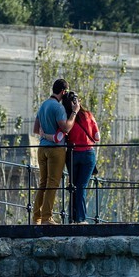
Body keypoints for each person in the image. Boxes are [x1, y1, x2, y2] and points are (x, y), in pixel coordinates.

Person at [32, 78, 75, 224]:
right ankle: (46, 217)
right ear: (63, 92)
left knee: (43, 183)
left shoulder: (43, 105)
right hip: (56, 150)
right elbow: (66, 128)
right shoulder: (58, 108)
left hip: (42, 148)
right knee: (53, 183)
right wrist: (74, 113)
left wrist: (45, 135)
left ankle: (36, 217)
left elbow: (35, 130)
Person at [62, 90, 101, 223]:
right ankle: (81, 218)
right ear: (78, 102)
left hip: (72, 154)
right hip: (88, 154)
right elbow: (97, 137)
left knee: (73, 186)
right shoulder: (88, 115)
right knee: (81, 187)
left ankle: (72, 218)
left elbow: (64, 135)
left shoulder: (67, 117)